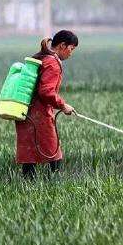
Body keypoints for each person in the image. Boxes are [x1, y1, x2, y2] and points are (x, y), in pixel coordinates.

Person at [15, 30, 78, 178]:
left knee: (29, 153)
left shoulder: (43, 58)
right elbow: (46, 92)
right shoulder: (53, 63)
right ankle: (54, 184)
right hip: (39, 115)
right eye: (71, 49)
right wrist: (63, 105)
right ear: (62, 45)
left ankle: (28, 186)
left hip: (25, 111)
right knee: (54, 152)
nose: (71, 53)